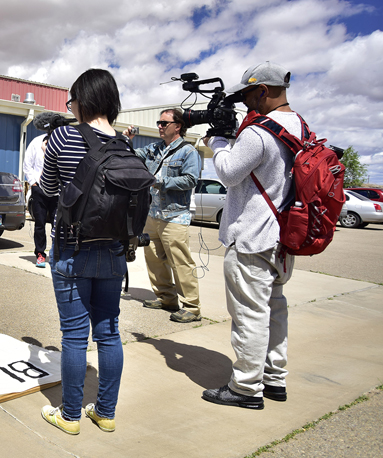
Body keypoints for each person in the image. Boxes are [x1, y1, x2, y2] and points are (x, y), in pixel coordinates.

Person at [201, 61, 298, 410]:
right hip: (282, 237)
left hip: (252, 237)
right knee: (275, 310)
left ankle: (245, 387)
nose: (245, 103)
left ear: (264, 90)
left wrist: (218, 141)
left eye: (248, 95)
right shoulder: (298, 126)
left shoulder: (260, 132)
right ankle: (274, 379)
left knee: (250, 315)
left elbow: (228, 172)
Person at [38, 69, 125, 435]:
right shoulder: (124, 144)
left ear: (82, 100)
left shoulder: (61, 137)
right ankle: (105, 412)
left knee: (74, 336)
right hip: (115, 250)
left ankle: (70, 415)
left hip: (72, 248)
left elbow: (47, 189)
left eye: (72, 100)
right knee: (109, 331)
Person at [124, 109, 202, 323]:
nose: (159, 126)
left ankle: (192, 307)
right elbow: (133, 155)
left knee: (180, 262)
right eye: (159, 122)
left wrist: (160, 182)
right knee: (154, 259)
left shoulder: (188, 152)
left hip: (175, 215)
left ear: (178, 126)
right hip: (152, 213)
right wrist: (126, 141)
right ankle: (166, 298)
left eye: (164, 123)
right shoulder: (154, 148)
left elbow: (190, 180)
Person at [24, 133, 57, 268]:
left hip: (57, 191)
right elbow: (27, 164)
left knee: (59, 224)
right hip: (40, 189)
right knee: (40, 223)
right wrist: (34, 183)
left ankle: (56, 255)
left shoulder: (64, 141)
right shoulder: (36, 141)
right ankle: (40, 254)